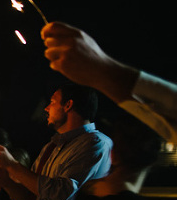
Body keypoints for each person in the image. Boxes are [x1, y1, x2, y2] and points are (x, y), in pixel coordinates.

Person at [41, 21, 177, 144]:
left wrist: (101, 69)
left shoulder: (94, 144)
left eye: (52, 102)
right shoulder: (53, 145)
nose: (46, 108)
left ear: (68, 105)